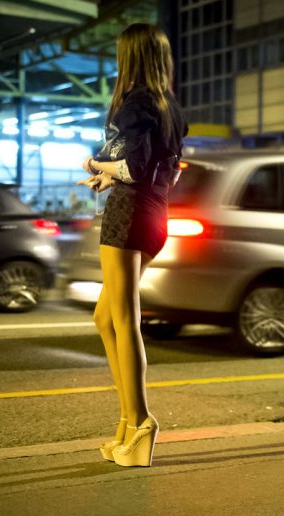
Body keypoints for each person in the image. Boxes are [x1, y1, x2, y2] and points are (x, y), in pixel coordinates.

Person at [78, 23, 187, 467]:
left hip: (128, 218)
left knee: (123, 320)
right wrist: (110, 175)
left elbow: (136, 166)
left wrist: (93, 162)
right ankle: (127, 424)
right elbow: (170, 169)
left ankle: (140, 422)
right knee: (106, 316)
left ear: (130, 57)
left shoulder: (136, 102)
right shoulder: (171, 107)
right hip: (155, 215)